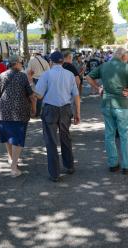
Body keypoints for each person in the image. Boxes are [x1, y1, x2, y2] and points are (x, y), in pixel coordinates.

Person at [86, 47, 128, 174]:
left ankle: (113, 164)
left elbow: (88, 77)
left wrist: (98, 88)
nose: (127, 59)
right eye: (127, 57)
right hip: (122, 105)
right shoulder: (126, 67)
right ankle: (126, 166)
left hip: (107, 104)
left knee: (109, 135)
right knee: (124, 136)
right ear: (123, 57)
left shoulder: (104, 66)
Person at [35, 51, 80, 182]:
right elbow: (76, 95)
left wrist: (31, 87)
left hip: (50, 109)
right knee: (65, 137)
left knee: (51, 141)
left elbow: (39, 95)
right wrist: (78, 113)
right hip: (66, 108)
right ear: (62, 62)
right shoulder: (70, 74)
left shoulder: (46, 74)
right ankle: (69, 165)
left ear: (51, 62)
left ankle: (55, 173)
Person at [0, 56, 36, 177]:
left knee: (8, 137)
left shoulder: (0, 76)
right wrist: (34, 109)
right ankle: (13, 167)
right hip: (20, 111)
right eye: (21, 63)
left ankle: (11, 159)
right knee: (17, 138)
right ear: (16, 64)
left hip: (3, 111)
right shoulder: (22, 76)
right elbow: (31, 95)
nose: (22, 65)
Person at [26, 51, 50, 117]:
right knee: (40, 97)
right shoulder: (45, 61)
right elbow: (48, 72)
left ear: (35, 54)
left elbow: (28, 71)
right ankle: (38, 112)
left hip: (33, 79)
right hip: (42, 80)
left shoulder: (31, 61)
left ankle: (33, 111)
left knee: (33, 96)